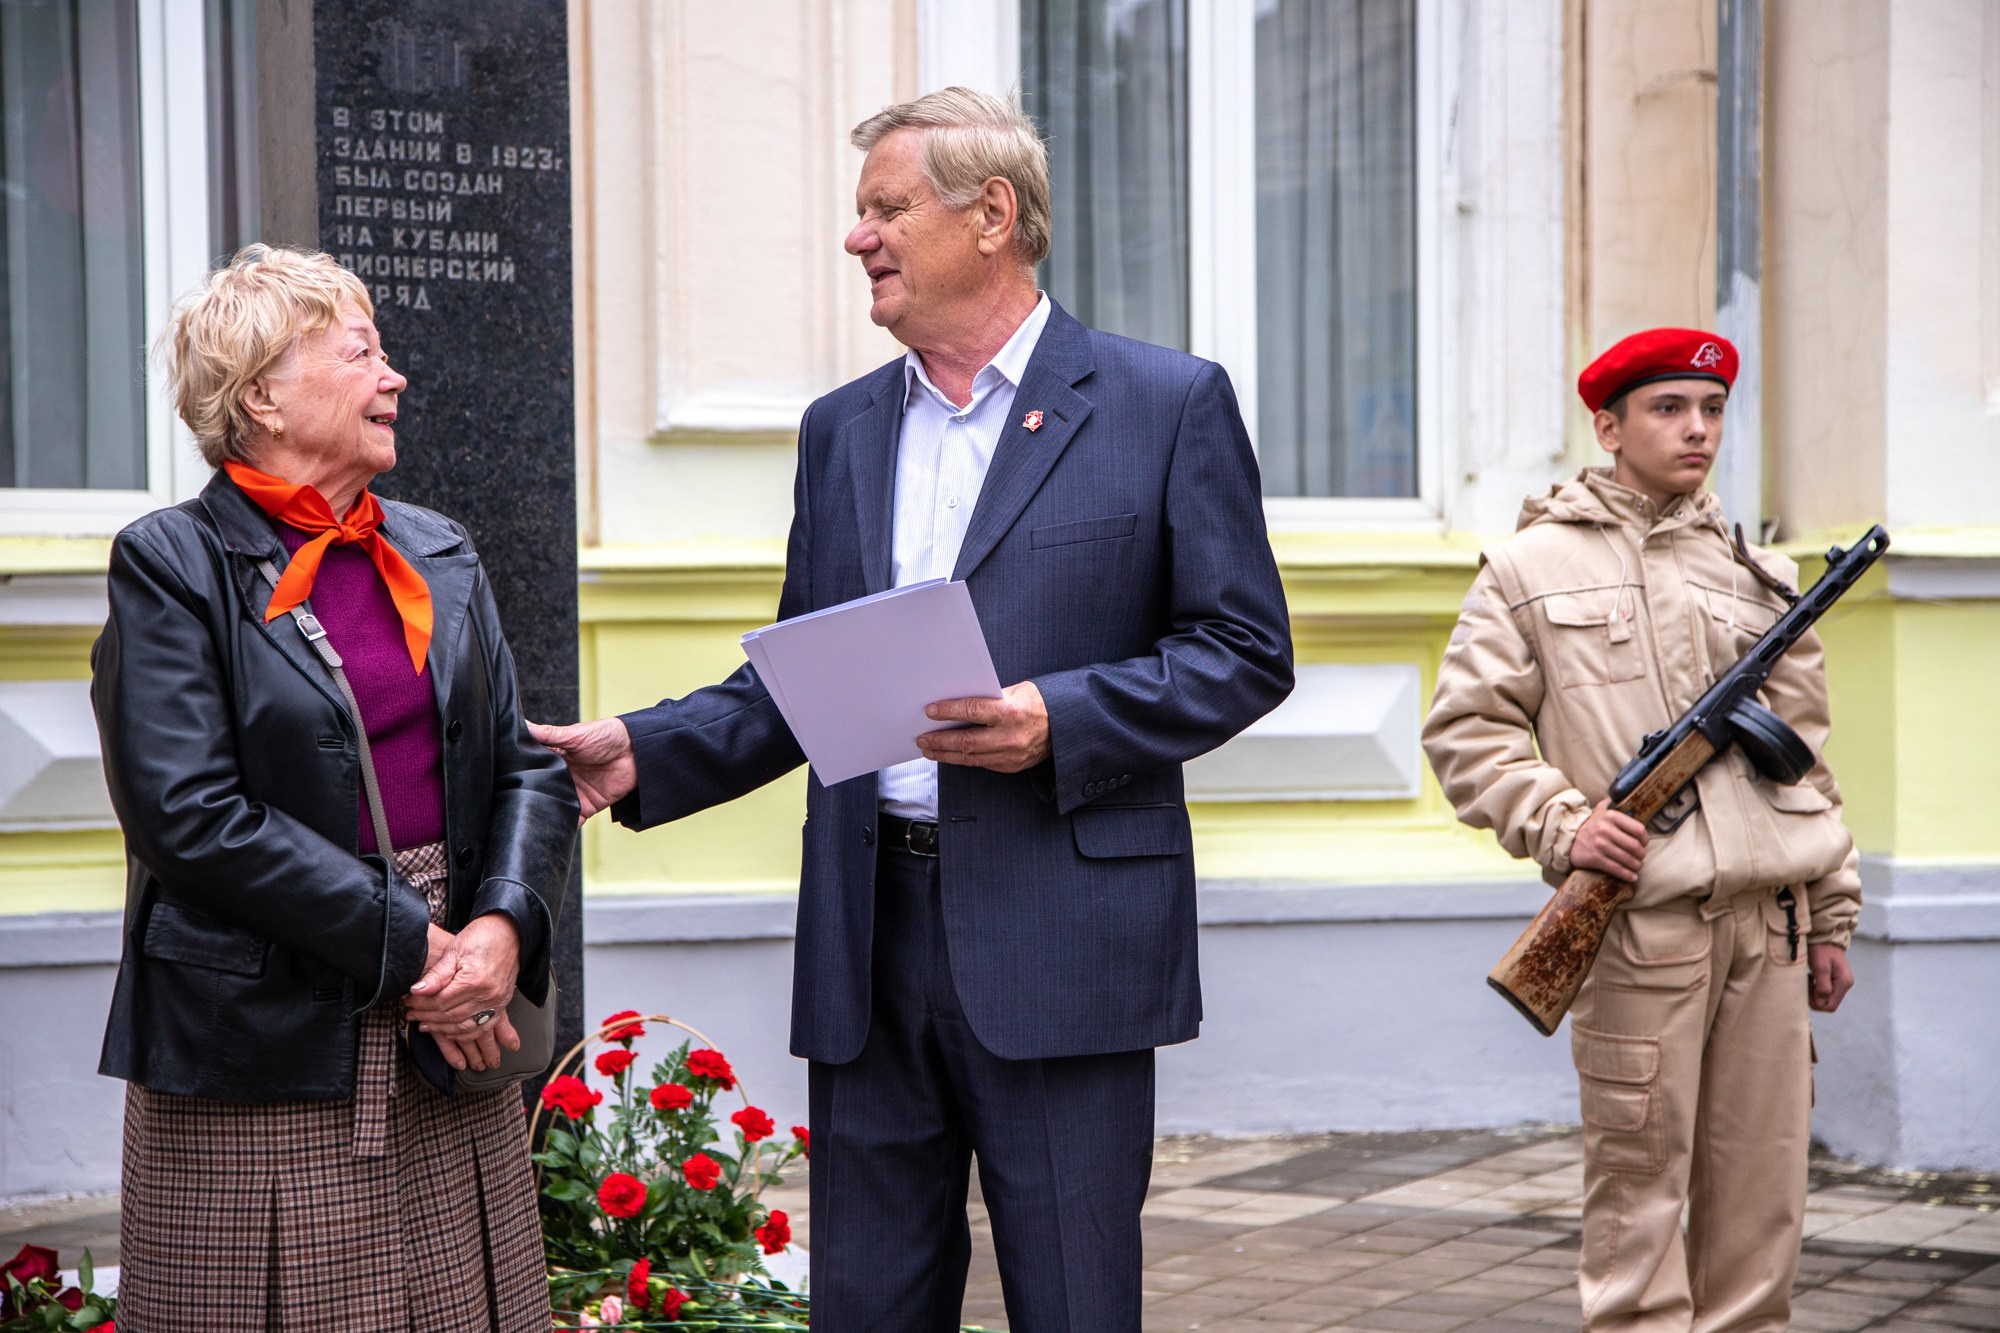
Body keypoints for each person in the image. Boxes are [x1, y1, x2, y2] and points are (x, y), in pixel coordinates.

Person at [531, 88, 1293, 1331]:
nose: (859, 238)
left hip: (1061, 933)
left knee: (1073, 1301)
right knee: (868, 1306)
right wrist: (643, 749)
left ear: (989, 215)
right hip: (868, 933)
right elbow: (806, 674)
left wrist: (1057, 715)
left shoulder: (1164, 404)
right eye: (861, 213)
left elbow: (1241, 650)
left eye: (885, 208)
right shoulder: (841, 431)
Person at [92, 244, 579, 1332]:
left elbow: (527, 765)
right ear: (259, 393)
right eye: (361, 352)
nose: (394, 377)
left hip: (451, 1017)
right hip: (267, 1032)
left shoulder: (437, 549)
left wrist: (497, 933)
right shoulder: (172, 562)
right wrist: (416, 948)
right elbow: (188, 814)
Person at [1422, 327, 1861, 1332]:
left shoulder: (1758, 577)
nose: (1695, 429)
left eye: (1709, 411)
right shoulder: (1527, 567)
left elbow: (1806, 764)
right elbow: (1465, 730)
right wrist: (1560, 825)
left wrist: (1831, 918)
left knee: (1761, 1200)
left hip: (1772, 927)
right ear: (1607, 425)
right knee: (1635, 1196)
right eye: (1668, 409)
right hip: (1638, 931)